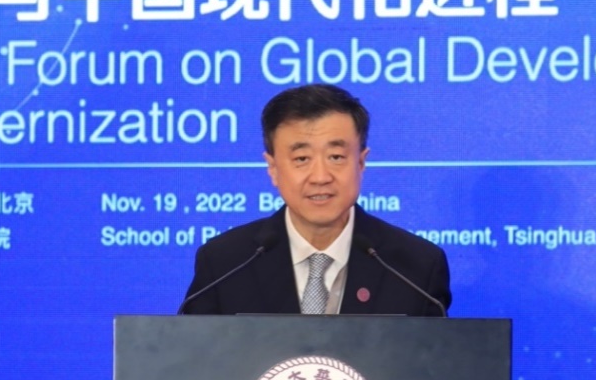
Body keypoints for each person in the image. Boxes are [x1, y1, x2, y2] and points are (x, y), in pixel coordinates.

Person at [180, 84, 451, 316]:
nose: (320, 177)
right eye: (301, 159)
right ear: (273, 168)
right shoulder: (225, 263)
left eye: (336, 157)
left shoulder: (416, 268)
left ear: (361, 162)